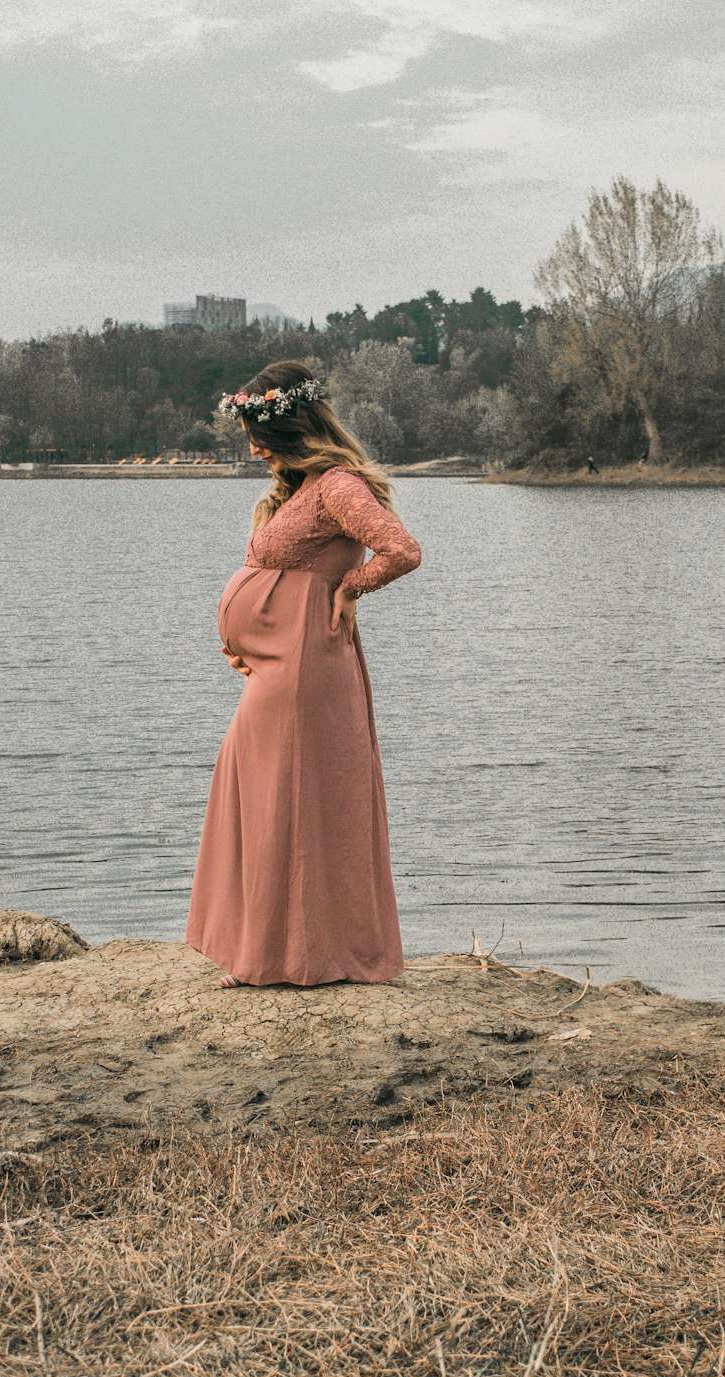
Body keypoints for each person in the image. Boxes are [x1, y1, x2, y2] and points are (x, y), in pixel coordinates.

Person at [185, 360, 422, 989]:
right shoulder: (294, 490)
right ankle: (270, 950)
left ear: (294, 429)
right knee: (269, 796)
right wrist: (246, 642)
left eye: (261, 437)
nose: (254, 448)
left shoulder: (337, 486)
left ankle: (293, 956)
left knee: (291, 800)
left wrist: (351, 588)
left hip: (307, 671)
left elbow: (401, 550)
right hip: (279, 668)